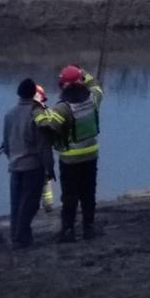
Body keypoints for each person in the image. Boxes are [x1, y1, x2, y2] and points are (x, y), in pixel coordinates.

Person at [36, 64, 103, 242]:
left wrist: (38, 111)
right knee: (89, 194)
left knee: (70, 196)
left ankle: (68, 230)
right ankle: (89, 228)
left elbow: (48, 126)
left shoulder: (63, 108)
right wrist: (84, 74)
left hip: (70, 160)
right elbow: (96, 85)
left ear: (64, 85)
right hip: (91, 156)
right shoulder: (93, 99)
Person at [1, 78, 52, 249]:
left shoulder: (9, 115)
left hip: (15, 166)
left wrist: (13, 157)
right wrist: (49, 167)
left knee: (16, 204)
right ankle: (20, 238)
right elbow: (43, 145)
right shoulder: (36, 114)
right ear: (34, 94)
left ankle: (18, 236)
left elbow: (6, 145)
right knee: (29, 204)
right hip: (32, 167)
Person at [33, 84, 56, 213]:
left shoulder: (30, 112)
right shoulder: (48, 111)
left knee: (38, 182)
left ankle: (37, 207)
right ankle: (48, 206)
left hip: (35, 154)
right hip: (46, 154)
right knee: (45, 182)